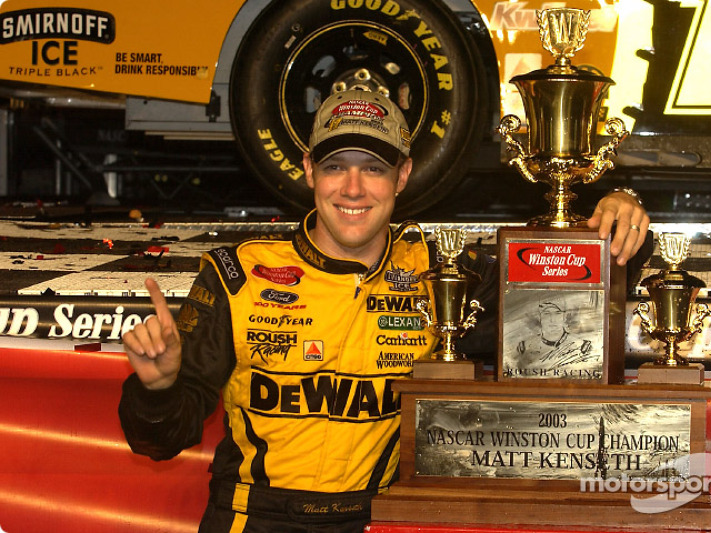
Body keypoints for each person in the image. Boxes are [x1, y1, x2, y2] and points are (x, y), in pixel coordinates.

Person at [118, 89, 650, 532]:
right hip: (251, 518)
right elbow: (160, 442)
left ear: (403, 175)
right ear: (308, 170)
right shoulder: (238, 275)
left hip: (378, 520)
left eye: (373, 168)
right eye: (335, 166)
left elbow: (563, 283)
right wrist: (158, 389)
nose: (353, 189)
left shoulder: (442, 272)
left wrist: (618, 213)